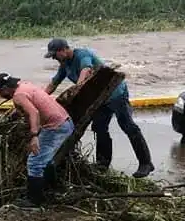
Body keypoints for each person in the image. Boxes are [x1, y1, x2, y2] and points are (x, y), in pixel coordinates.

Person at [44, 38, 154, 179]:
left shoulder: (82, 54)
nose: (54, 58)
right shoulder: (65, 65)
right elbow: (53, 84)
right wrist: (40, 98)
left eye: (55, 55)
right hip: (98, 100)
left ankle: (146, 163)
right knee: (100, 129)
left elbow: (86, 70)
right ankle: (102, 164)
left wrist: (77, 89)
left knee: (128, 126)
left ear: (64, 50)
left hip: (115, 94)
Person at [0, 73, 75, 208]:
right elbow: (34, 102)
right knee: (46, 159)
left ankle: (34, 201)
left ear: (5, 89)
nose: (1, 95)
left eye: (0, 92)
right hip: (66, 122)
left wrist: (34, 136)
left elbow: (34, 112)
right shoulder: (25, 86)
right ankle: (53, 190)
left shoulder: (18, 96)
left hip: (55, 127)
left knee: (34, 162)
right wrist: (17, 112)